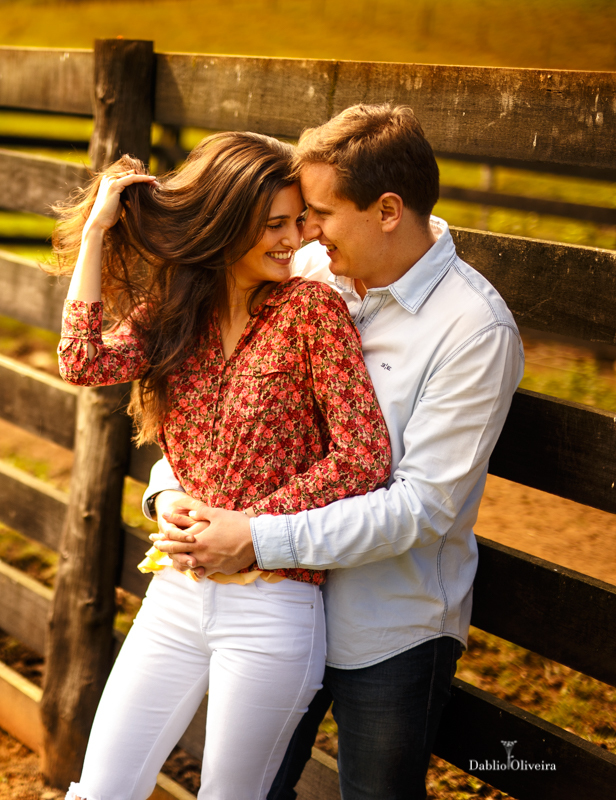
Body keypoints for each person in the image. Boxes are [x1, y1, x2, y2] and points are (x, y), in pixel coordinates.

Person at [147, 104, 525, 800]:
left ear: (387, 210)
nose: (305, 229)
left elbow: (422, 509)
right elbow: (227, 397)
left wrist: (258, 537)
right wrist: (169, 489)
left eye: (320, 211)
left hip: (389, 626)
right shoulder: (309, 271)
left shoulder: (473, 330)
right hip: (277, 608)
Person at [49, 131, 392, 800]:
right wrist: (95, 233)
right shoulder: (179, 310)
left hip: (274, 605)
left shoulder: (311, 313)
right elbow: (83, 360)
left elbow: (364, 455)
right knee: (100, 791)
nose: (295, 240)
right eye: (272, 226)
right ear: (226, 222)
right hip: (176, 591)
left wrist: (246, 524)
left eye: (298, 222)